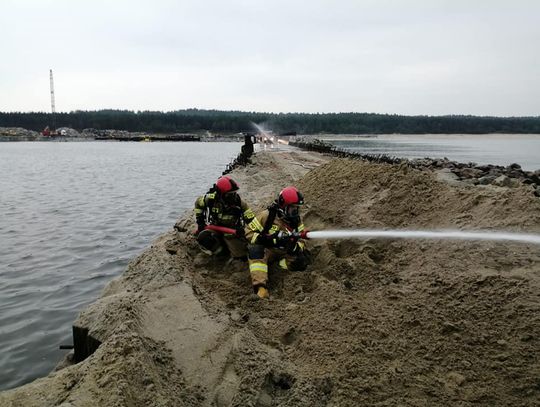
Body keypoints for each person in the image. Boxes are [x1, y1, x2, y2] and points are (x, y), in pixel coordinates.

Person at [245, 186, 311, 299]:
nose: (295, 212)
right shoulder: (267, 216)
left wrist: (294, 247)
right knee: (255, 250)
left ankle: (279, 269)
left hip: (284, 252)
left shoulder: (296, 221)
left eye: (297, 209)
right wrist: (266, 239)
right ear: (283, 206)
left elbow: (302, 240)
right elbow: (248, 232)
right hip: (268, 251)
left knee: (302, 260)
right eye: (293, 209)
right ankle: (261, 288)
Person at [194, 176, 255, 260]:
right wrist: (200, 221)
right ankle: (221, 253)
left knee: (240, 256)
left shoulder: (239, 203)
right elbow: (198, 203)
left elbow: (252, 220)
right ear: (221, 194)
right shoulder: (211, 199)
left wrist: (244, 231)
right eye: (229, 194)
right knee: (204, 238)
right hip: (215, 229)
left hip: (232, 233)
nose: (233, 196)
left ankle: (230, 249)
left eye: (234, 193)